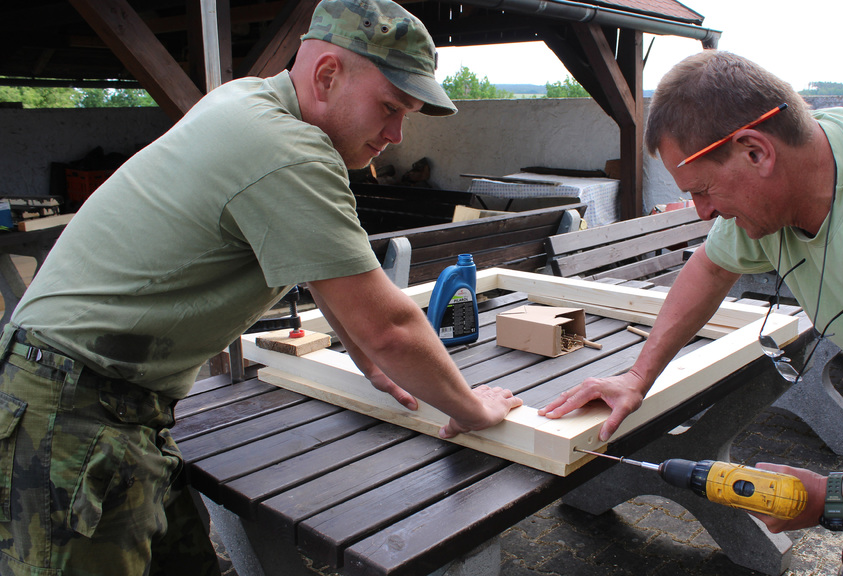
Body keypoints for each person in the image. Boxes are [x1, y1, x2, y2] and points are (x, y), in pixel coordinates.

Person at [0, 0, 522, 574]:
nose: (397, 136)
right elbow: (391, 327)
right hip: (69, 414)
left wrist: (365, 358)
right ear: (327, 75)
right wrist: (471, 408)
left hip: (103, 398)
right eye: (390, 107)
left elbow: (322, 268)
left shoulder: (245, 100)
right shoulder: (287, 150)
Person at [540, 49, 843, 575]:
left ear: (756, 151)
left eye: (702, 190)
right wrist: (637, 377)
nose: (702, 212)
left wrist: (839, 496)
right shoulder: (795, 170)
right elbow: (711, 267)